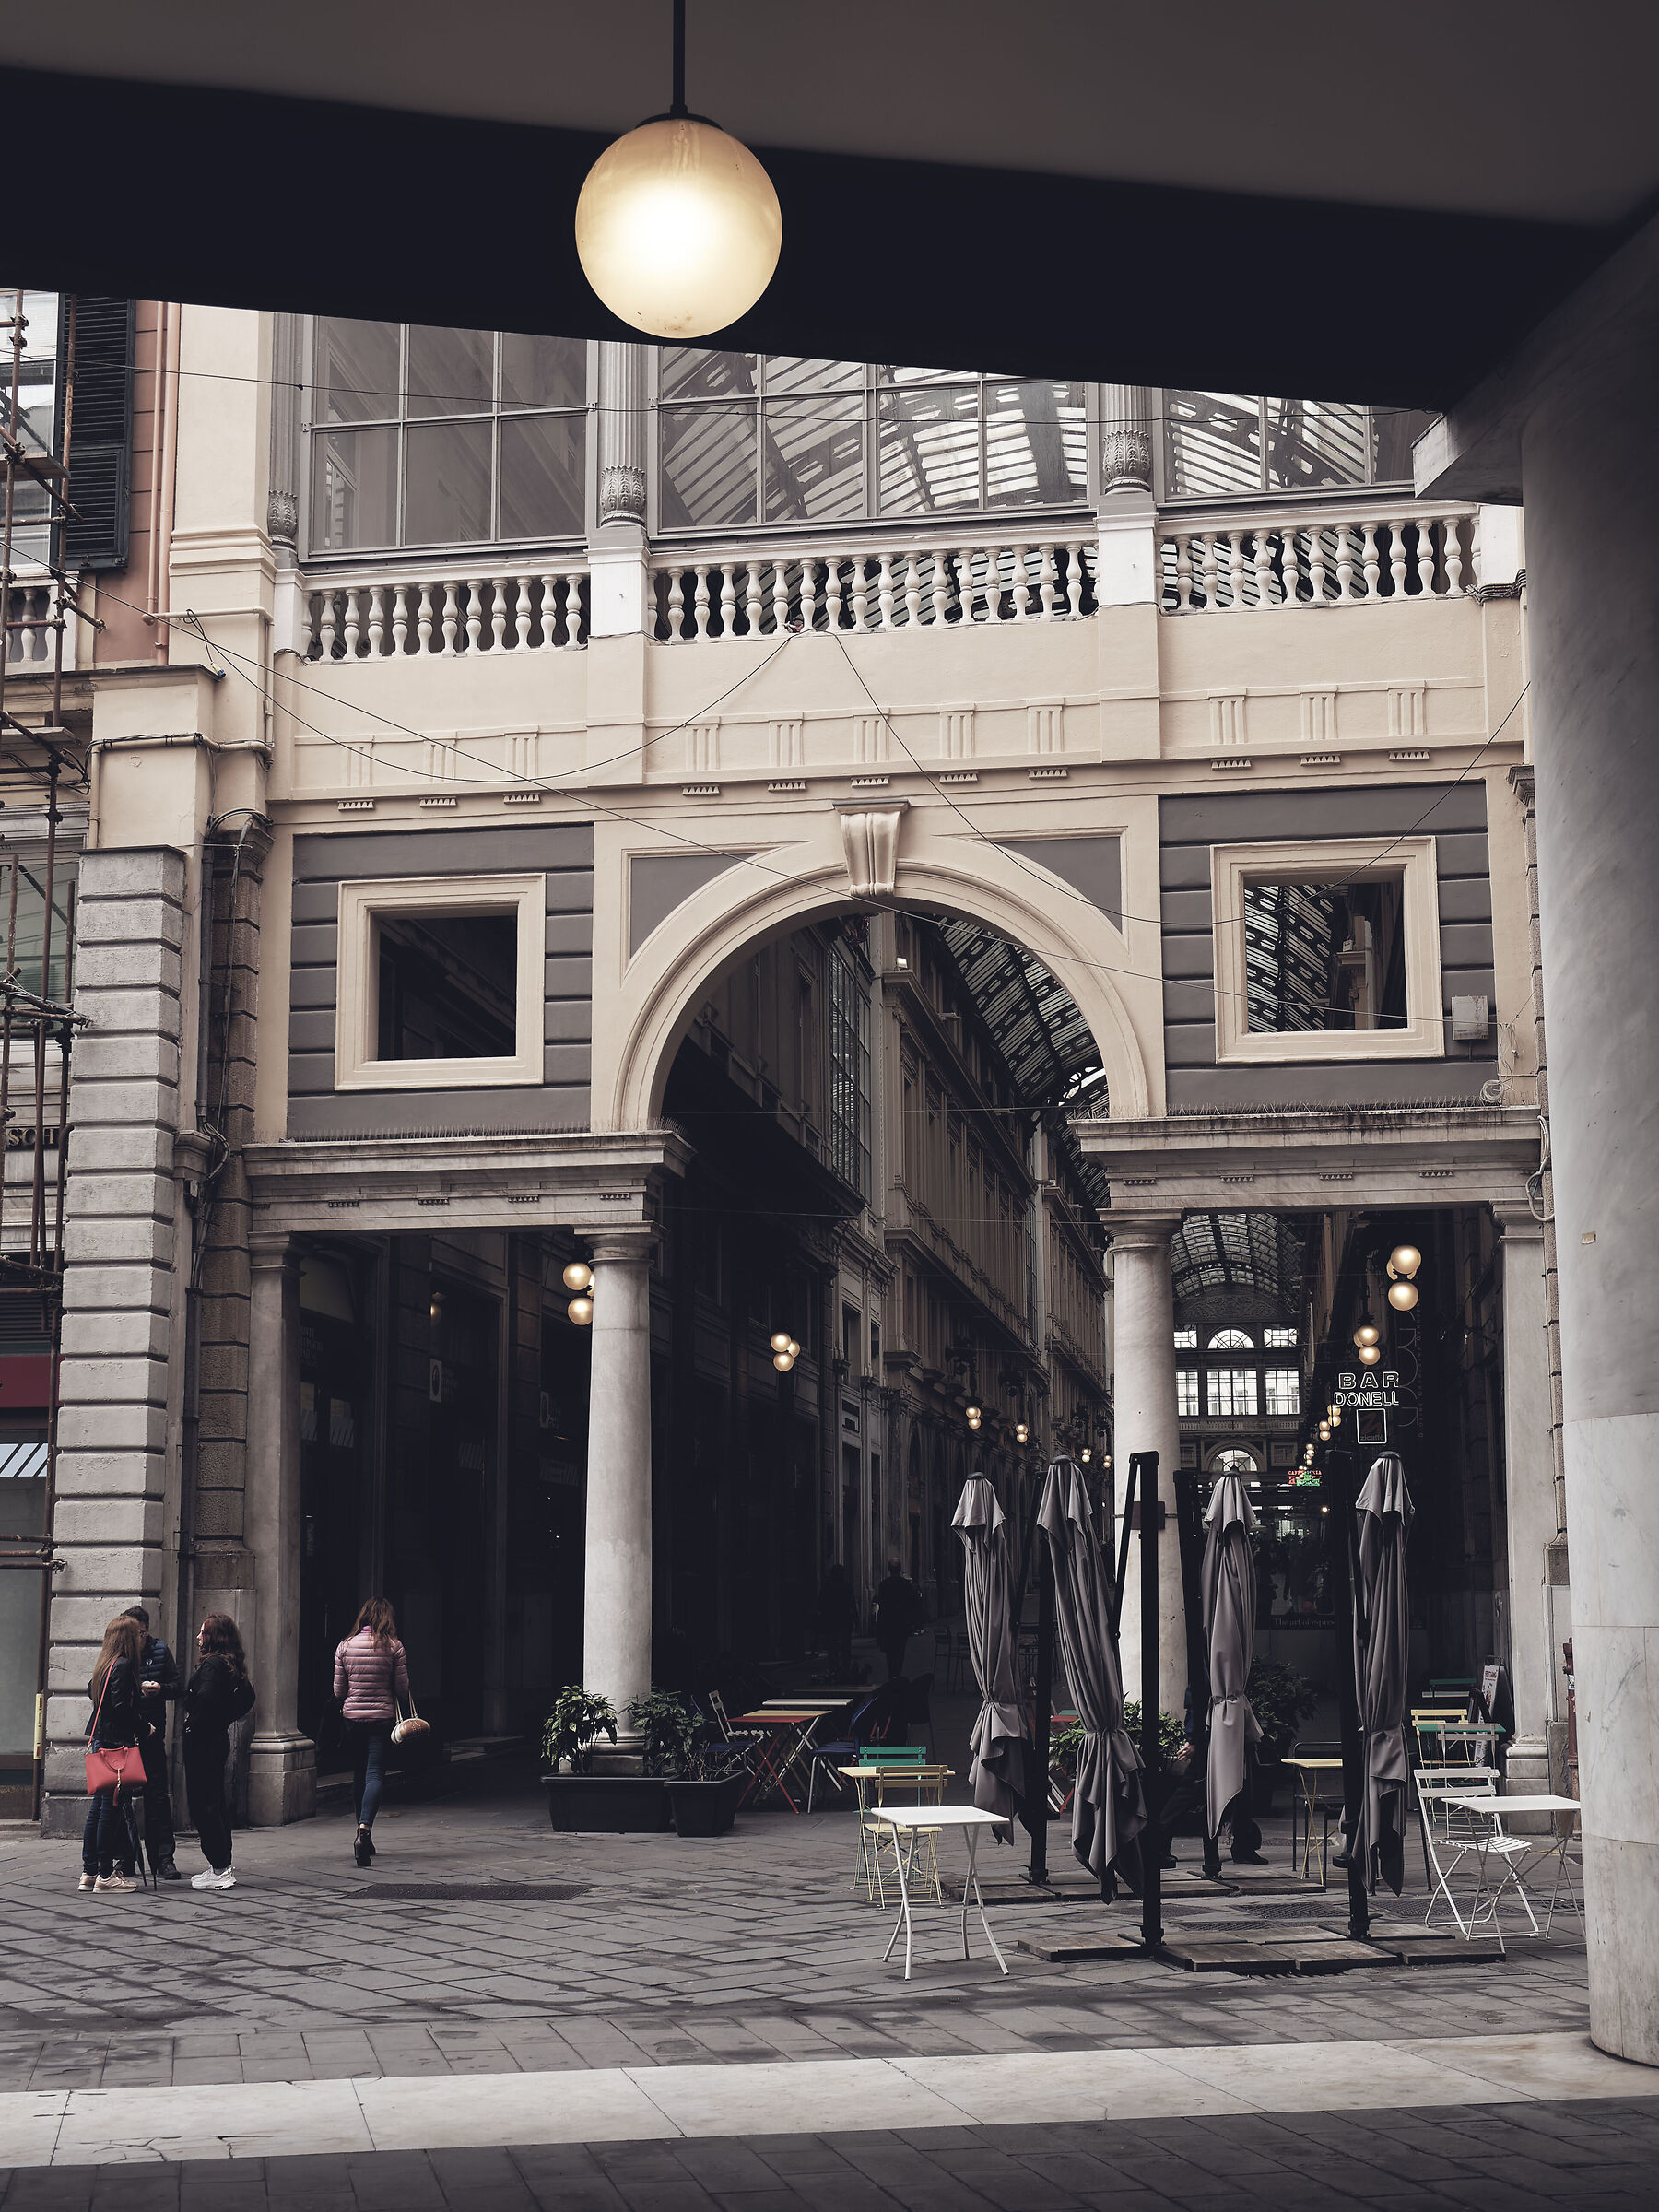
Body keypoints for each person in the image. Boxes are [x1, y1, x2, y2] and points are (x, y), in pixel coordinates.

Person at [334, 1597, 410, 1867]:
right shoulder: (394, 1647)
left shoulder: (344, 1646)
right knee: (375, 1773)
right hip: (382, 1718)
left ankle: (362, 1833)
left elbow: (338, 1692)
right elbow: (402, 1690)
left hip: (352, 1719)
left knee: (358, 1773)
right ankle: (364, 1830)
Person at [182, 1613, 255, 1891]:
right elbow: (247, 1697)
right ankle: (220, 1865)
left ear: (214, 1637)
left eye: (203, 1633)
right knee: (214, 1802)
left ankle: (220, 1868)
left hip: (203, 1742)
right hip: (215, 1739)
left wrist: (195, 1724)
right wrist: (224, 1718)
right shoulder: (229, 1664)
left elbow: (205, 1698)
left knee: (204, 1805)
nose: (198, 1637)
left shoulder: (212, 1665)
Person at [81, 1613, 146, 1893]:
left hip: (100, 1741)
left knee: (98, 1809)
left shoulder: (104, 1665)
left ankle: (89, 1872)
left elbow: (94, 1696)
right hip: (113, 1745)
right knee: (110, 1809)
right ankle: (106, 1875)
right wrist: (146, 1727)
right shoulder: (122, 1665)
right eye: (139, 1635)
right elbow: (120, 1708)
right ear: (129, 1638)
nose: (142, 1639)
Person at [119, 1605, 181, 1882]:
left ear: (146, 1630)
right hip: (125, 1739)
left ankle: (163, 1860)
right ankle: (126, 1858)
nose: (136, 1638)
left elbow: (179, 1687)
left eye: (139, 1632)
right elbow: (95, 1685)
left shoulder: (160, 1651)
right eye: (131, 1632)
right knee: (121, 1800)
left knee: (157, 1797)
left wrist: (161, 1690)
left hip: (153, 1736)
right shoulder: (118, 1653)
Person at [874, 1559, 921, 1681]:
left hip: (888, 1623)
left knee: (890, 1651)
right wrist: (911, 1623)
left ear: (889, 1569)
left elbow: (882, 1605)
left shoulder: (884, 1584)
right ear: (900, 1569)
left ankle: (892, 1674)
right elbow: (911, 1605)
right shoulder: (906, 1584)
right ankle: (897, 1674)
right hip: (901, 1623)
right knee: (900, 1650)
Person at [816, 1562, 856, 1677]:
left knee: (832, 1647)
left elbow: (820, 1604)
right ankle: (845, 1669)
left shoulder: (827, 1587)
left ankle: (834, 1668)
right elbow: (852, 1605)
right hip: (844, 1621)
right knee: (845, 1647)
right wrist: (855, 1620)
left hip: (831, 1621)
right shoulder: (847, 1587)